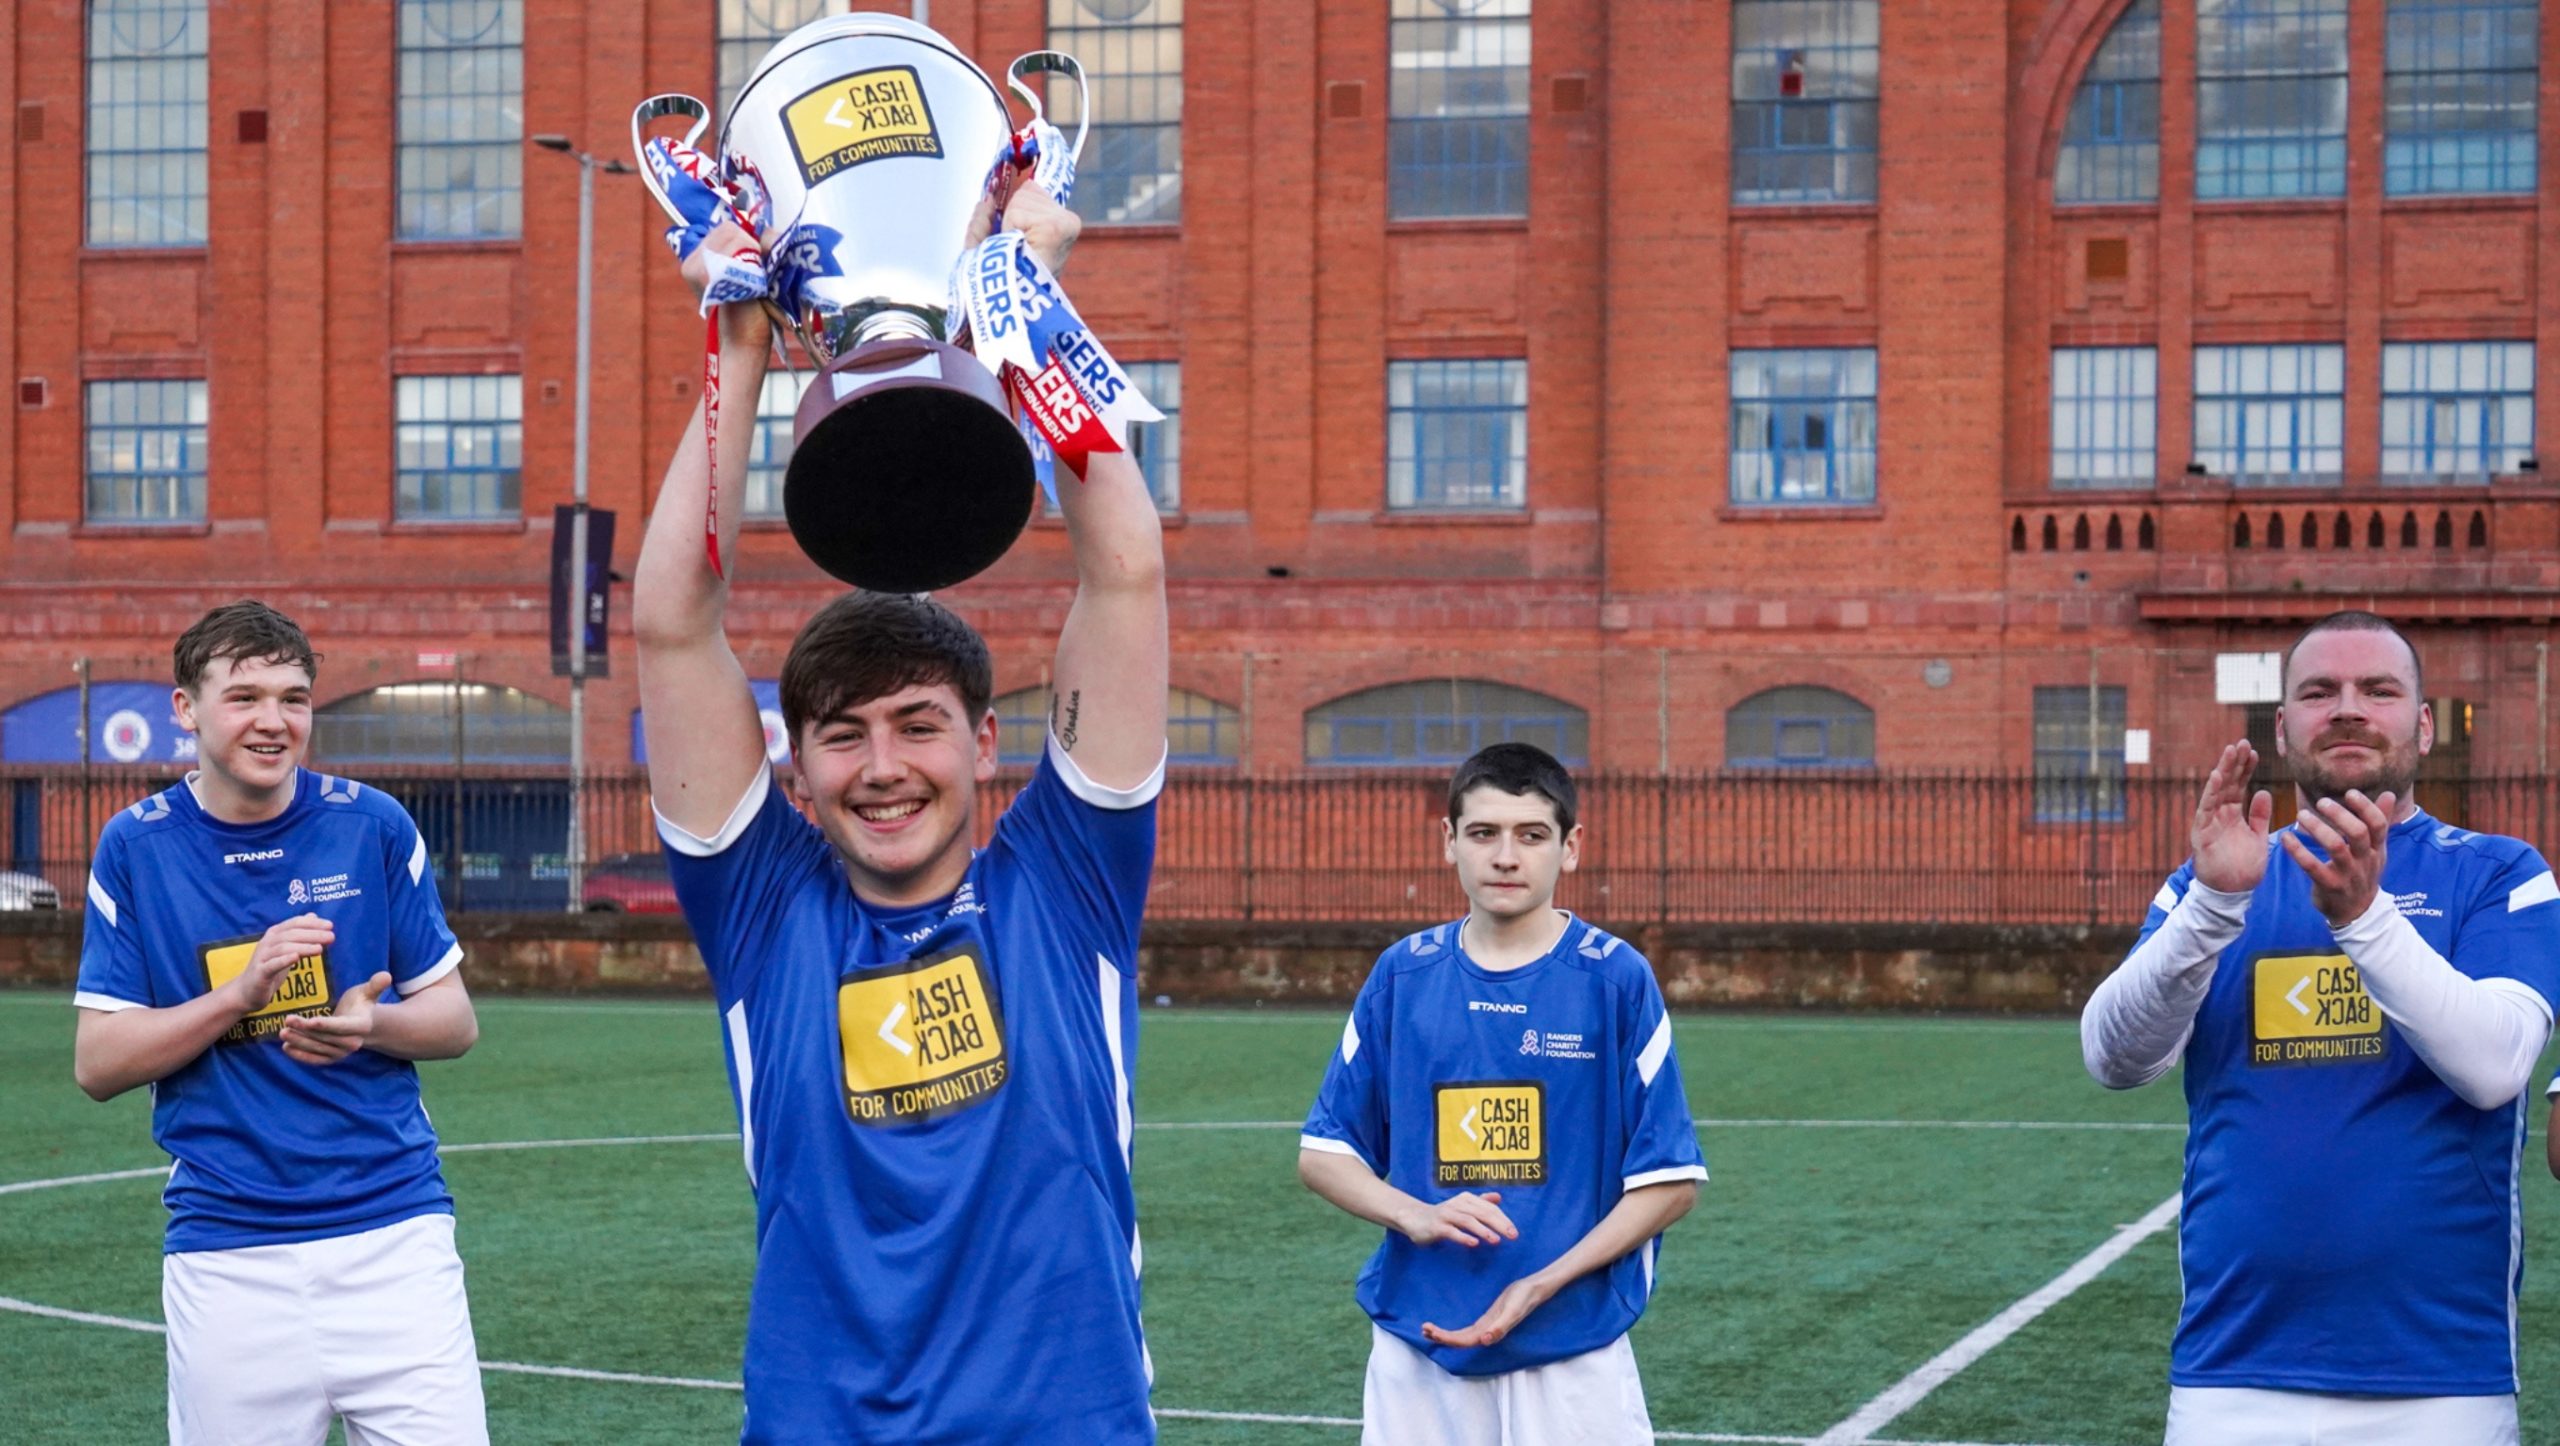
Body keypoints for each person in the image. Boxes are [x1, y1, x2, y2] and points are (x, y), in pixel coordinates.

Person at [633, 182, 1168, 1440]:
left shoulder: (1069, 878)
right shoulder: (765, 909)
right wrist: (742, 339)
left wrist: (1027, 303)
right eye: (842, 735)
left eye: (917, 725)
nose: (882, 766)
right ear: (798, 768)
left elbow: (1126, 571)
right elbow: (671, 625)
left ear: (984, 743)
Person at [2081, 609, 2560, 1446]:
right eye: (2318, 691)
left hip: (2439, 1382)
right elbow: (2114, 1059)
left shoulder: (2500, 873)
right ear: (2282, 725)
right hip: (2230, 1377)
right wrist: (2213, 907)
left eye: (2377, 690)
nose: (2347, 708)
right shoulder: (2216, 881)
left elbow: (2495, 1067)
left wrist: (2365, 919)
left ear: (2420, 722)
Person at [71, 600, 486, 1445]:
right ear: (185, 708)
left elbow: (453, 1022)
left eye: (293, 698)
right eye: (245, 696)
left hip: (395, 1236)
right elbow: (99, 1063)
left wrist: (369, 1026)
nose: (274, 721)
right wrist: (238, 996)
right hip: (228, 1254)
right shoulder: (135, 846)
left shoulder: (370, 825)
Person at [1297, 742, 1705, 1446]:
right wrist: (1414, 1215)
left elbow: (1670, 1182)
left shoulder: (1615, 980)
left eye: (1532, 835)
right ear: (1448, 842)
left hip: (1571, 1343)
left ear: (1570, 848)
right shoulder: (1404, 975)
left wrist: (1541, 1284)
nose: (1506, 857)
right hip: (1417, 1341)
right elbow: (1324, 1153)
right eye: (1484, 833)